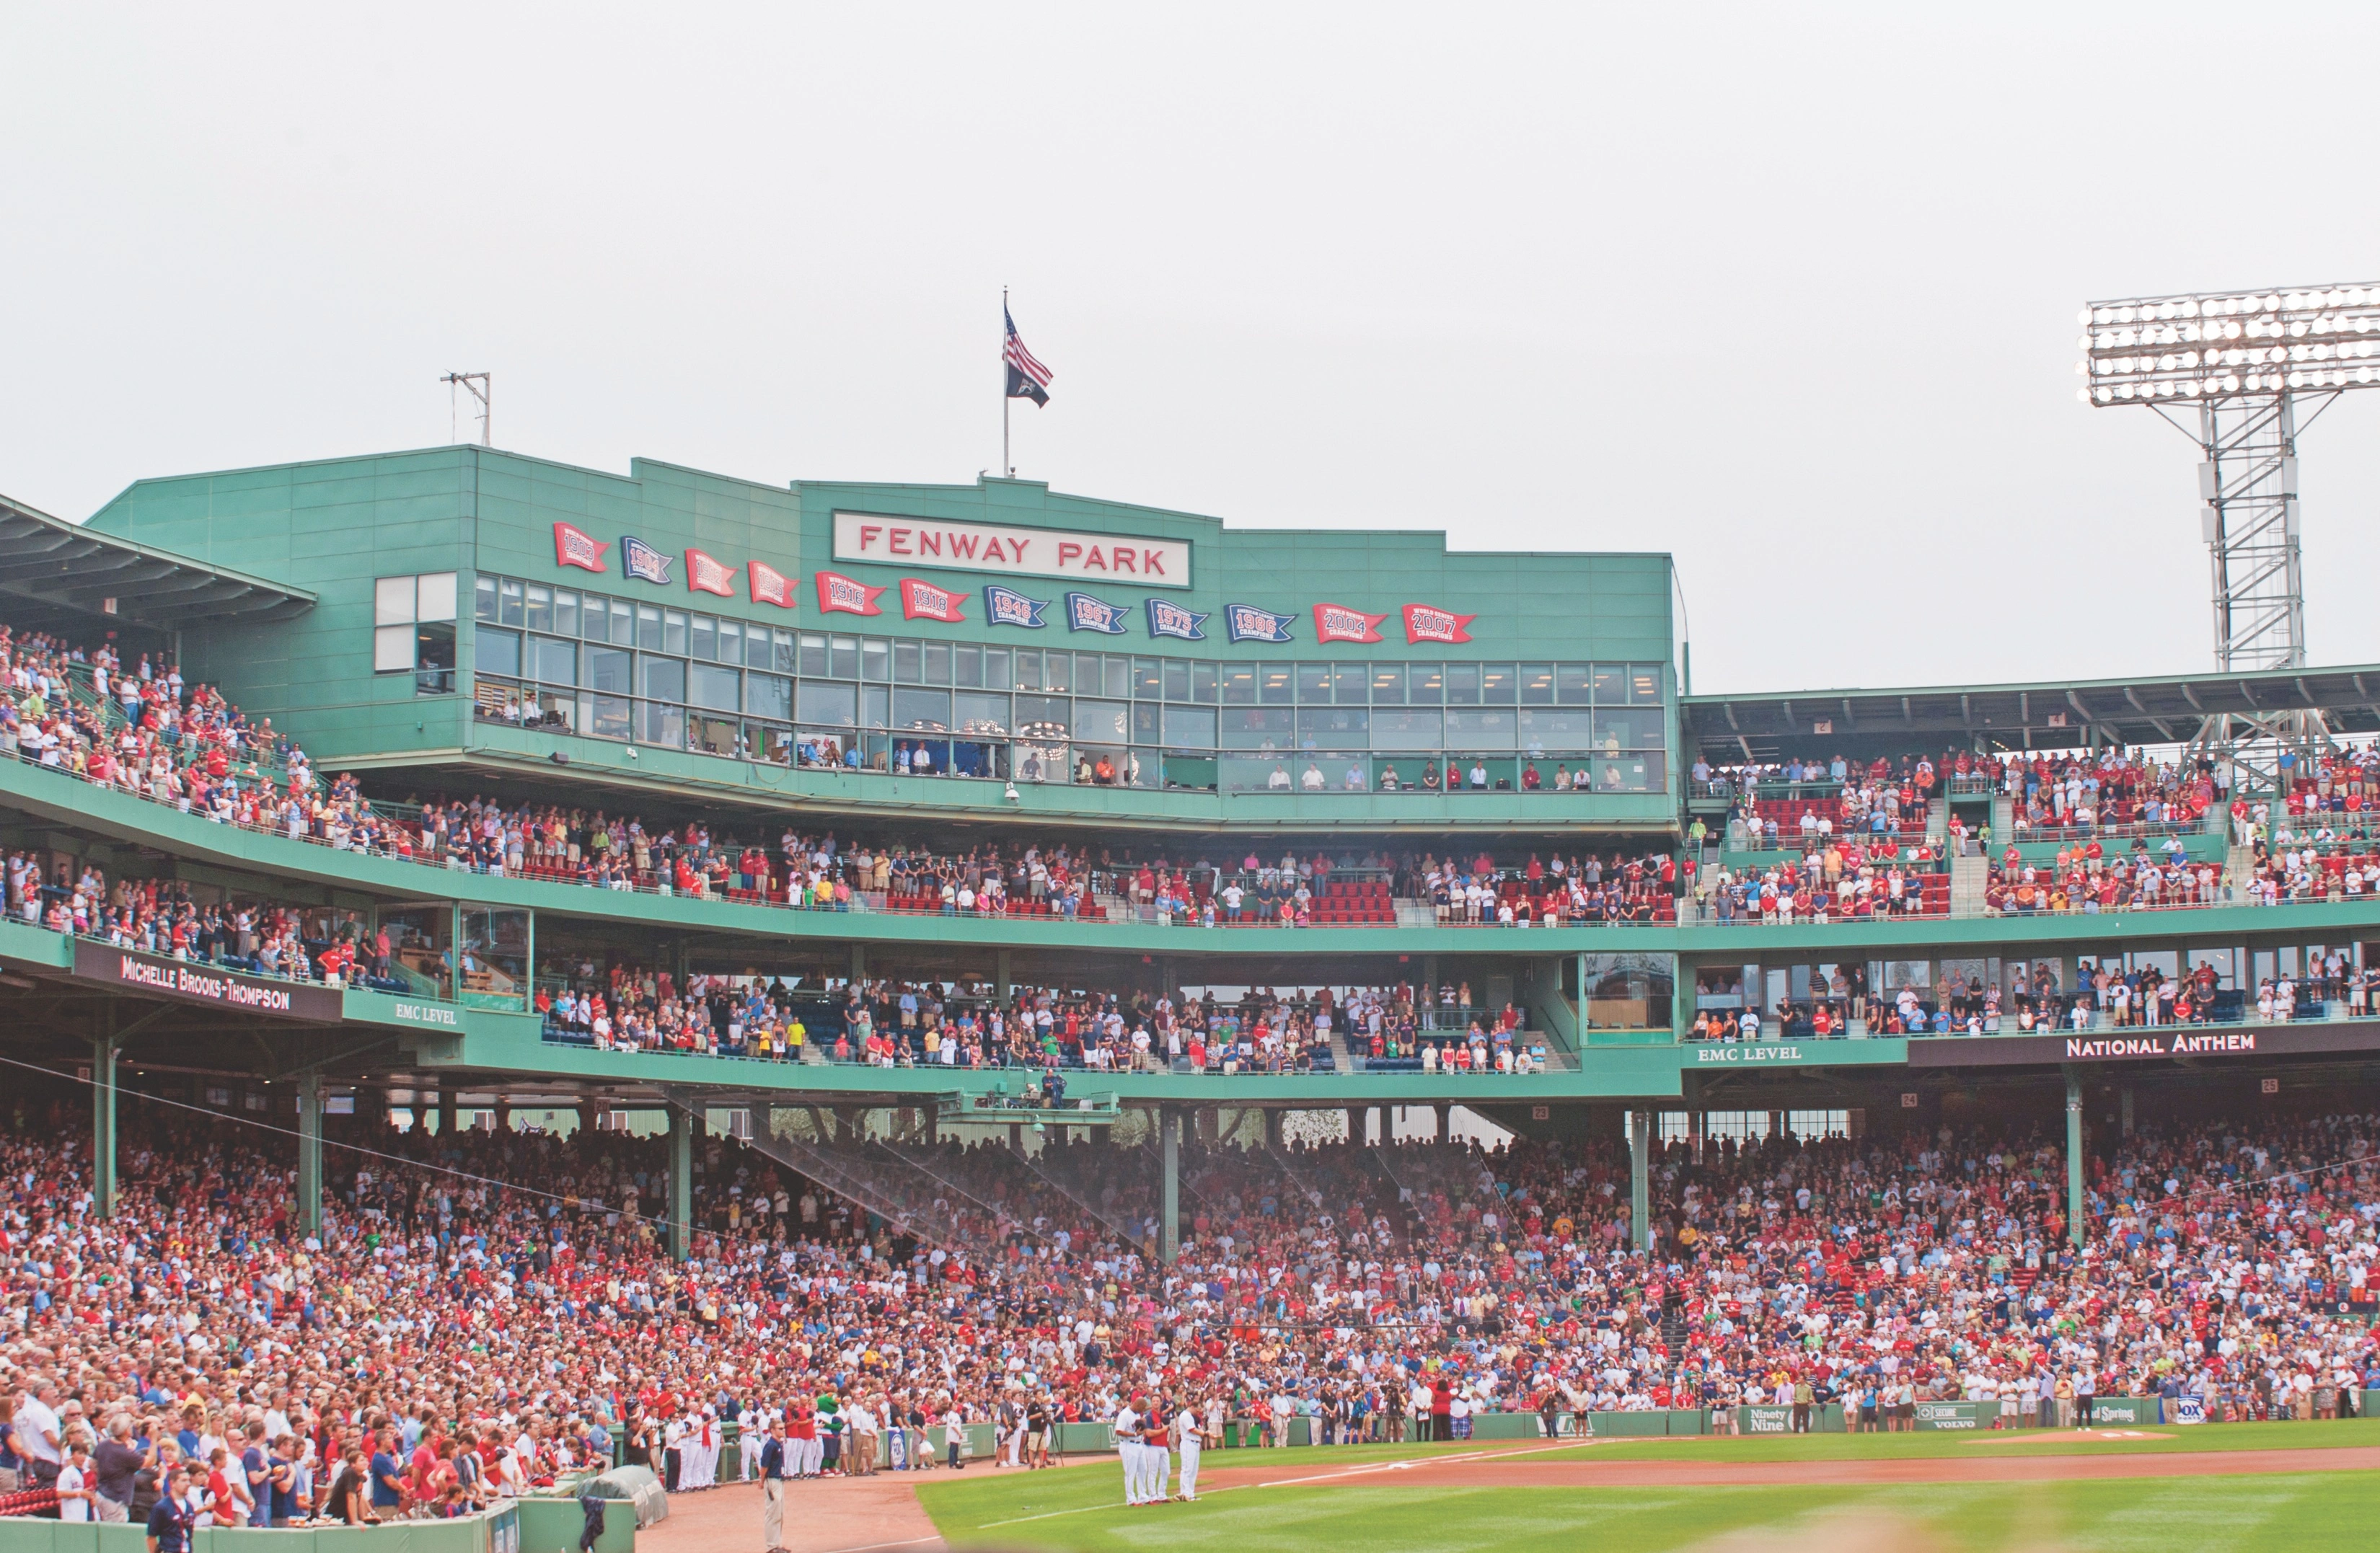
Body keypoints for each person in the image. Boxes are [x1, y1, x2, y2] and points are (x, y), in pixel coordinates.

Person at [145, 1467, 197, 1553]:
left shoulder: (190, 1506)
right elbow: (151, 1537)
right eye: (183, 1481)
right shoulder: (161, 1507)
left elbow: (190, 1534)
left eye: (189, 1481)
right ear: (172, 1483)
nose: (188, 1484)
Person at [758, 1412, 787, 1553]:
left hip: (779, 1480)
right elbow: (764, 1465)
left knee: (779, 1514)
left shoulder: (778, 1443)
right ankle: (771, 1547)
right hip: (772, 1481)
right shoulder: (771, 1445)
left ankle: (777, 1544)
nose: (783, 1430)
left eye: (783, 1428)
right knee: (773, 1514)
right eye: (780, 1429)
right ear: (772, 1430)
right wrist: (762, 1481)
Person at [1173, 1397, 1204, 1503]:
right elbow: (1192, 1430)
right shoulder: (1185, 1415)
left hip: (1195, 1443)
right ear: (1192, 1407)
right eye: (1197, 1409)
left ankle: (1190, 1493)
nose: (1198, 1412)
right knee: (1187, 1469)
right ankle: (1184, 1493)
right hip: (1188, 1443)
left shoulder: (1192, 1416)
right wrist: (1206, 1434)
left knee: (1194, 1470)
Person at [1113, 1398, 1142, 1505]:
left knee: (1143, 1470)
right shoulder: (1124, 1414)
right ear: (1137, 1405)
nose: (1142, 1411)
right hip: (1128, 1445)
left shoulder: (1137, 1414)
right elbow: (1118, 1431)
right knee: (1130, 1473)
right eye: (1141, 1408)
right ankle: (1131, 1498)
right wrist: (1134, 1434)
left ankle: (1143, 1496)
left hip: (1139, 1445)